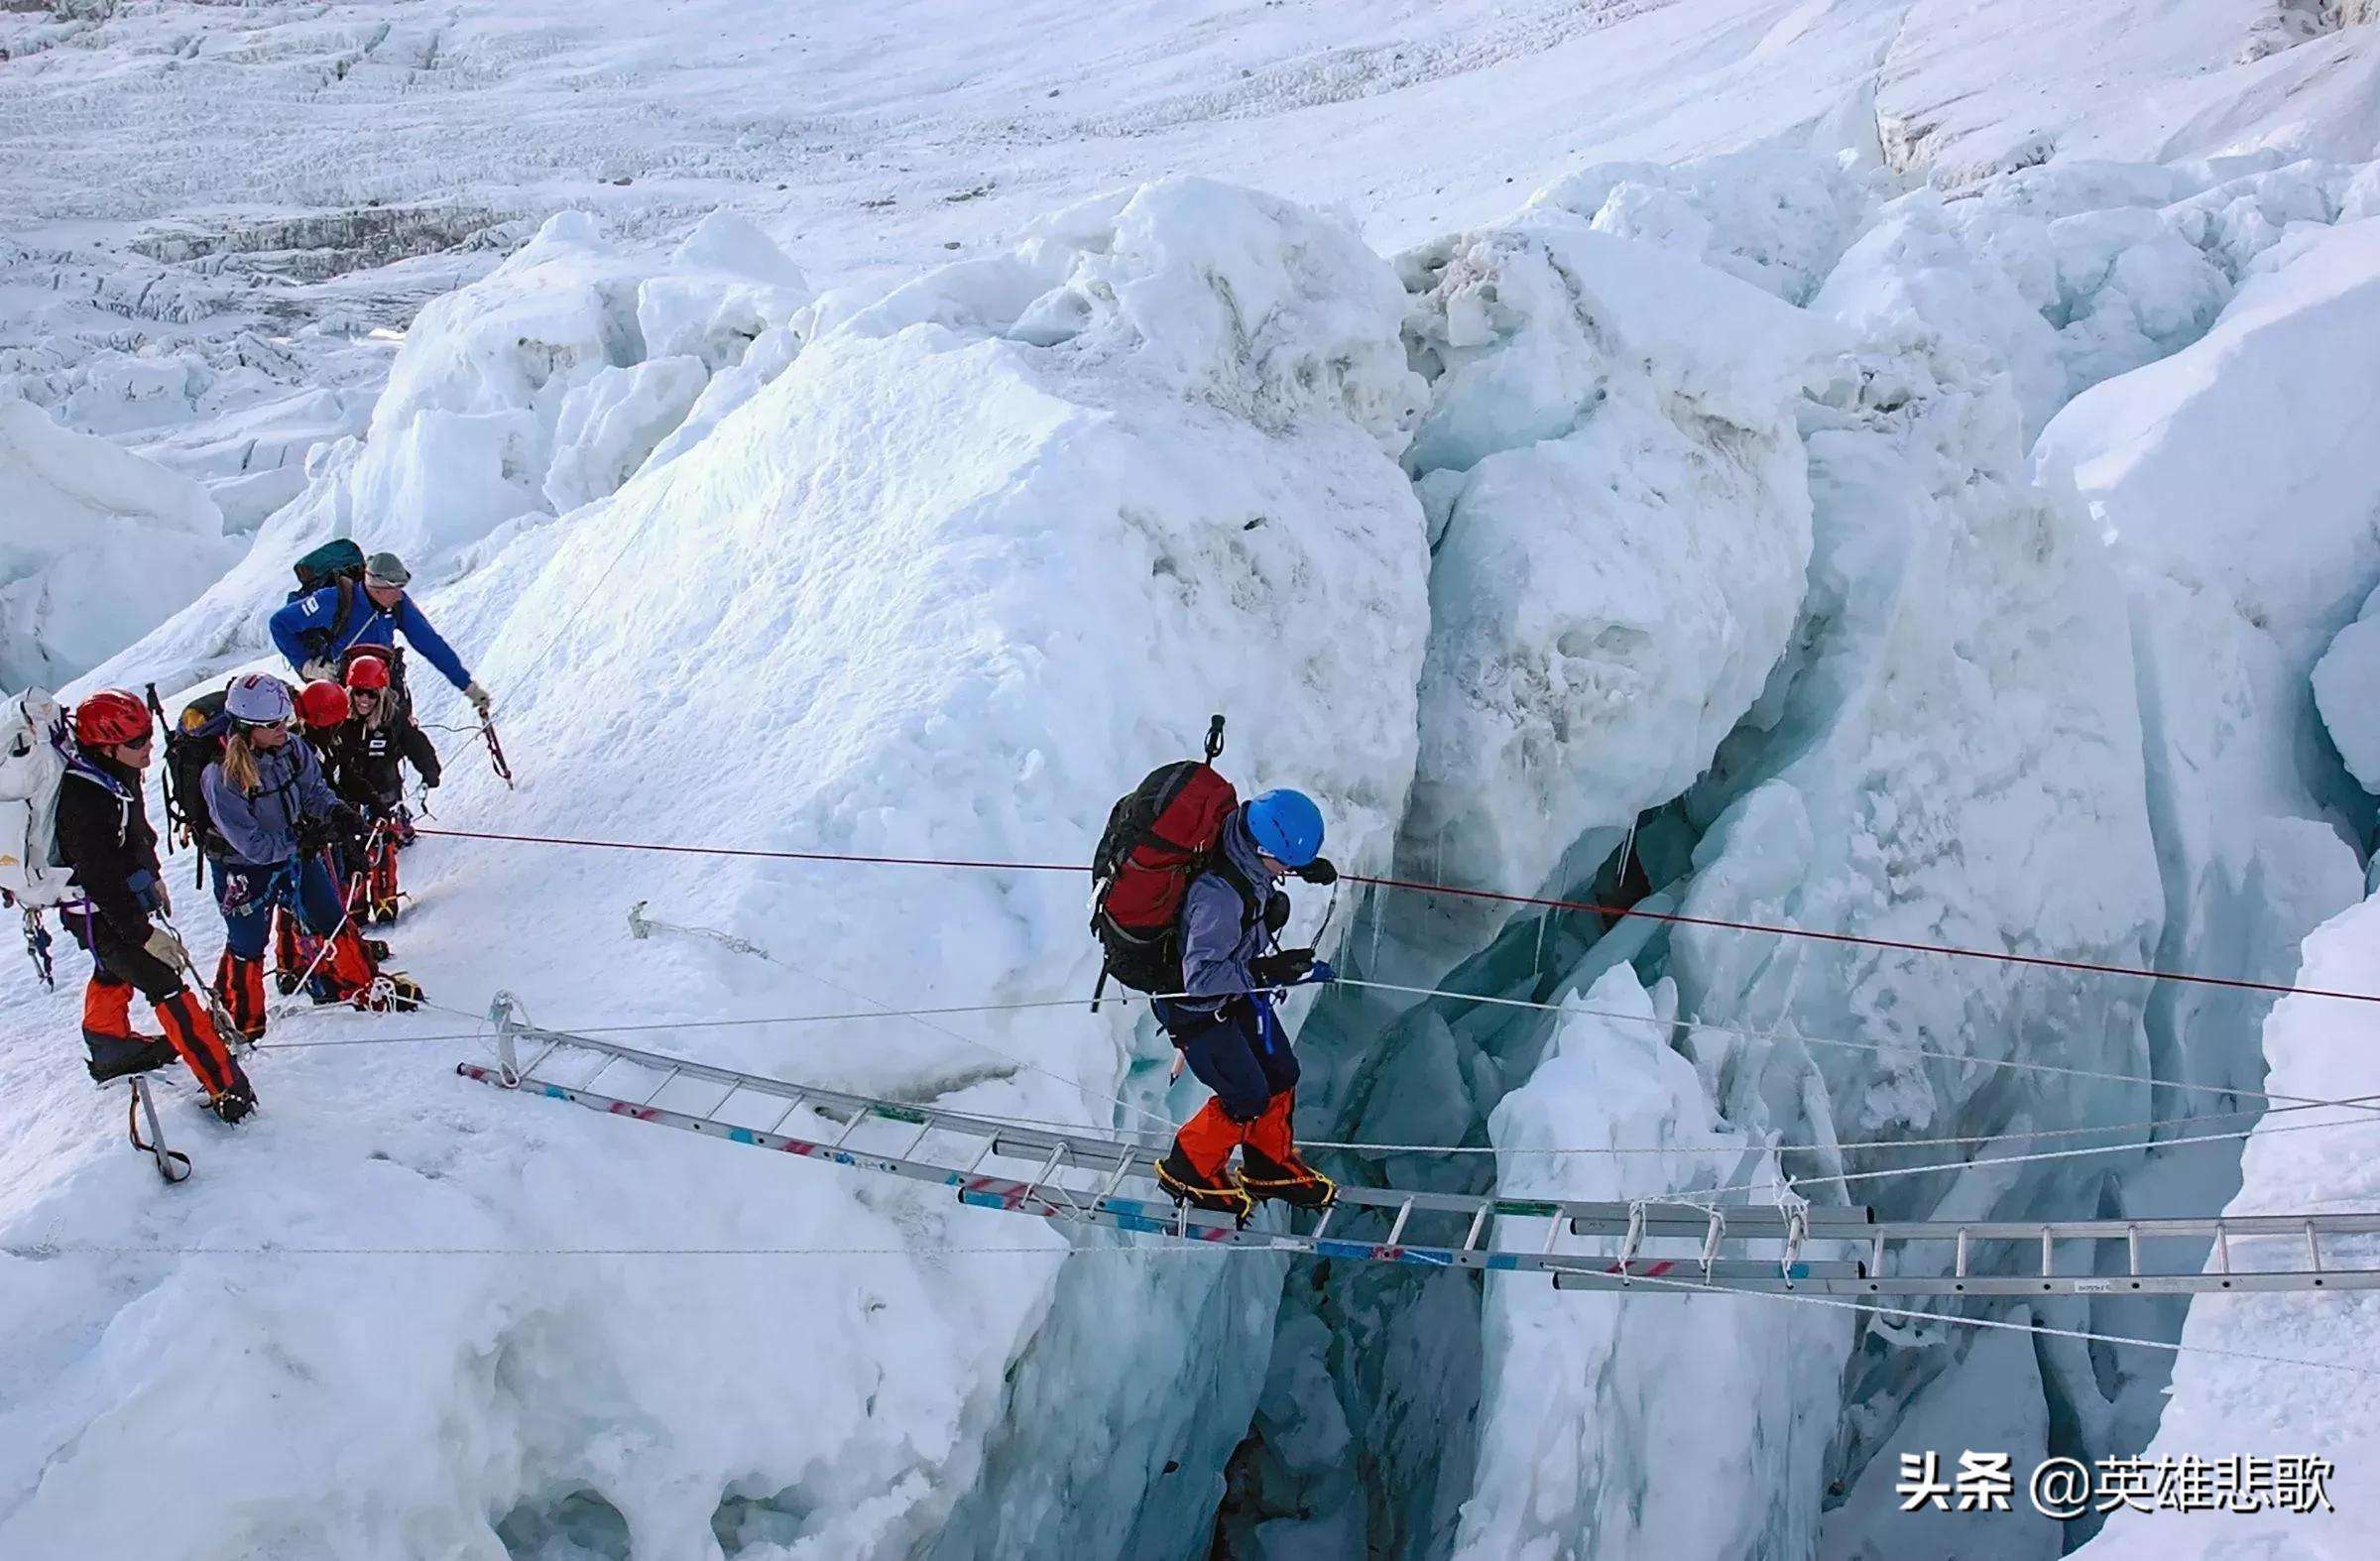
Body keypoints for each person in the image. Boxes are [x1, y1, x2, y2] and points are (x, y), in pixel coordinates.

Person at [53, 688, 255, 1121]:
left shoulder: (112, 772)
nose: (149, 746)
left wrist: (154, 875)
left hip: (111, 901)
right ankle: (225, 1085)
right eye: (137, 741)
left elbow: (137, 827)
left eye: (147, 735)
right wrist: (144, 935)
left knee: (114, 966)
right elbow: (100, 880)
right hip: (93, 909)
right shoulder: (83, 800)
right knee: (163, 980)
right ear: (107, 745)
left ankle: (109, 1046)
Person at [1152, 788, 1341, 1219]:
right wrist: (1266, 972)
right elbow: (1198, 980)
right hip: (1196, 1008)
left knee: (1281, 1072)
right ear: (1260, 850)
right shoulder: (1217, 896)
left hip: (1234, 989)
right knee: (1247, 1094)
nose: (1287, 872)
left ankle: (1269, 1166)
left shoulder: (1243, 846)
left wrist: (1303, 865)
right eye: (1284, 864)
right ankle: (1188, 1168)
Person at [202, 673, 417, 1038]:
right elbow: (251, 843)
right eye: (273, 725)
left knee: (329, 915)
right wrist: (299, 839)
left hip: (297, 851)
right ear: (247, 727)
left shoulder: (292, 749)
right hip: (242, 870)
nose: (283, 729)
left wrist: (337, 814)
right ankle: (240, 1020)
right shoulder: (221, 776)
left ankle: (359, 986)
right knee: (248, 941)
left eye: (285, 720)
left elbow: (314, 790)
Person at [266, 550, 491, 722]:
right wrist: (306, 664)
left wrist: (467, 686)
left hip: (381, 684)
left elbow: (430, 643)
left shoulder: (398, 605)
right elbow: (279, 624)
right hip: (342, 687)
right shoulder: (332, 600)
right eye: (396, 587)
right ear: (378, 587)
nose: (401, 593)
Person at [325, 654, 438, 921]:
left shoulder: (393, 719)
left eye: (372, 694)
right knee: (349, 851)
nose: (364, 700)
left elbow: (417, 745)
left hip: (384, 796)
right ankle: (355, 907)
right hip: (348, 800)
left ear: (382, 694)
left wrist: (430, 771)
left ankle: (384, 901)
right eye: (359, 693)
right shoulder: (338, 719)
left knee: (382, 848)